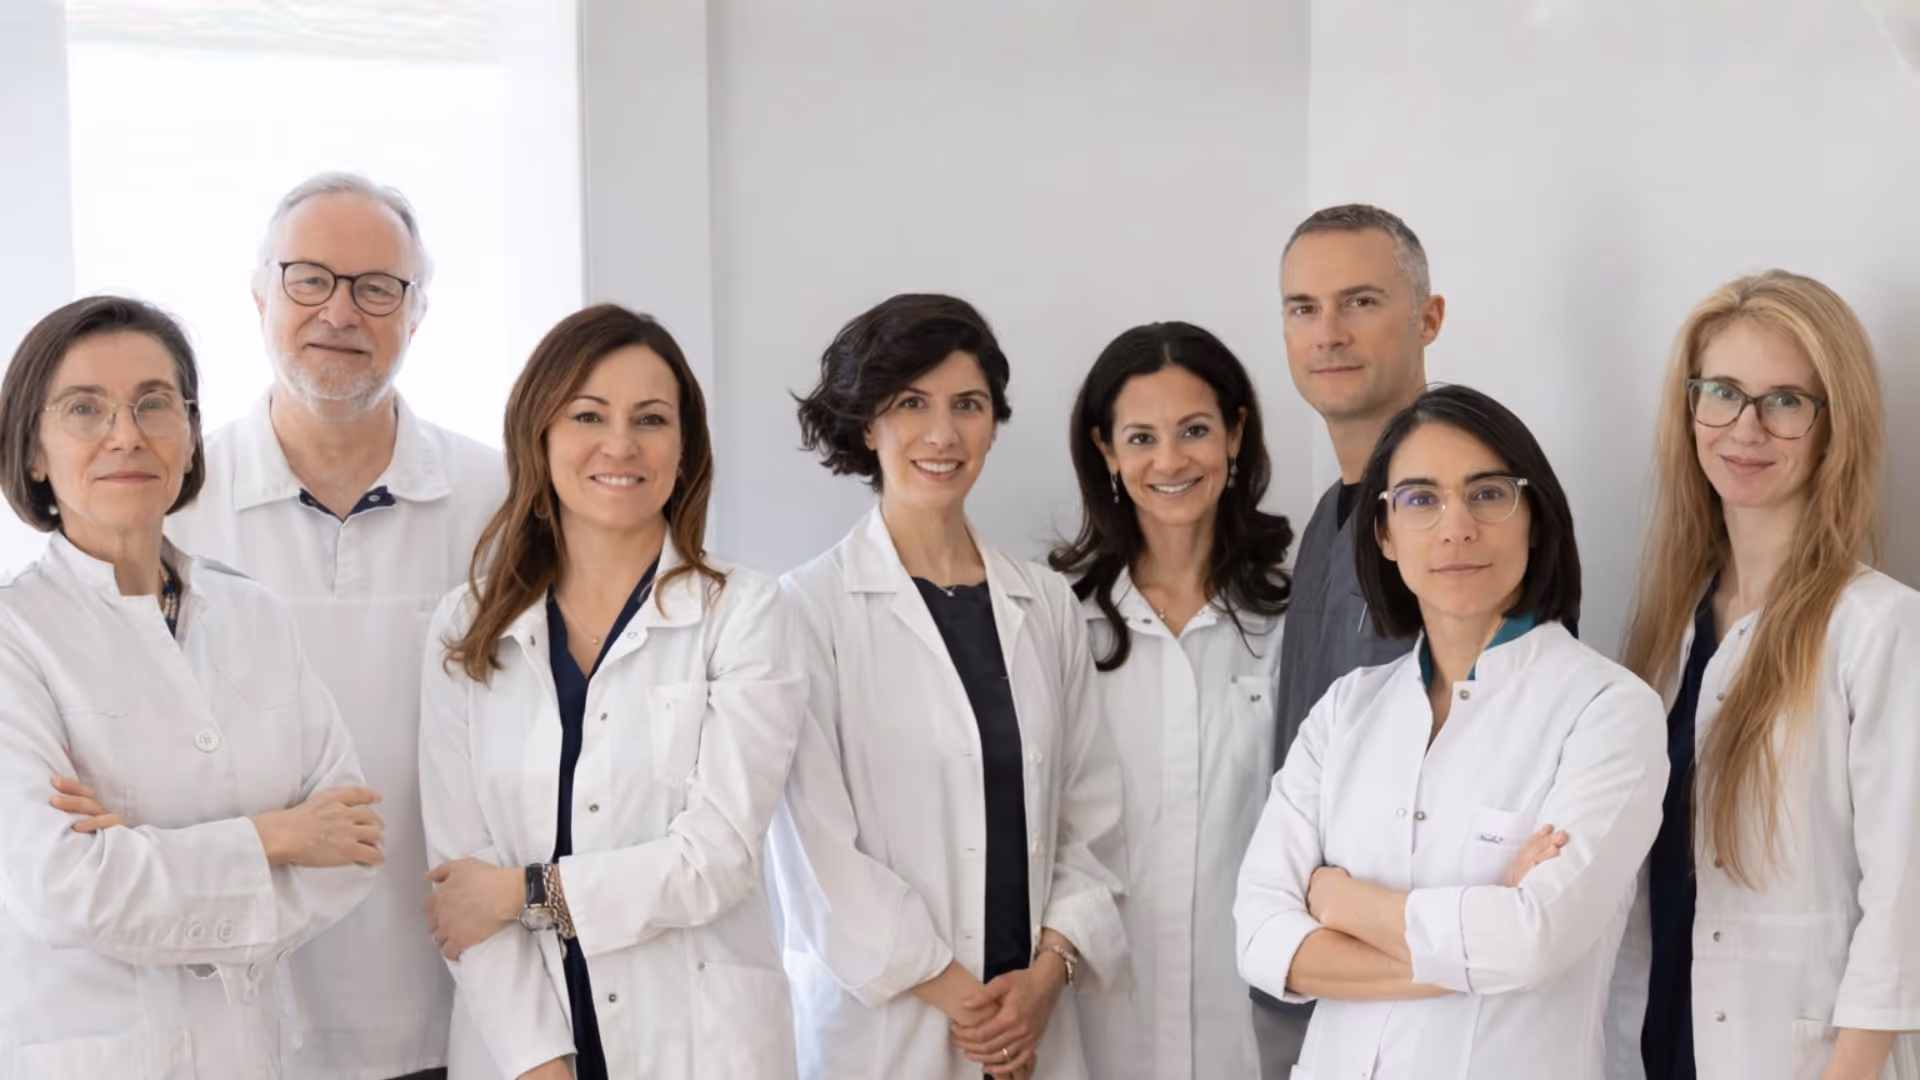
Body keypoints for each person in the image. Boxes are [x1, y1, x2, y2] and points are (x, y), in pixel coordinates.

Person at [167, 172, 505, 1080]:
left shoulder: (500, 499)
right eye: (309, 278)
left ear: (416, 312)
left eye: (376, 287)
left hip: (449, 998)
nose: (339, 312)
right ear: (258, 295)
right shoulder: (173, 507)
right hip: (238, 999)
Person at [416, 303, 803, 1080]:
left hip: (700, 1041)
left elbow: (715, 860)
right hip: (518, 1047)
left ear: (684, 446)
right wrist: (539, 1065)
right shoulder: (467, 625)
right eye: (589, 414)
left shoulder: (744, 612)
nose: (620, 445)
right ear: (541, 433)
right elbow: (462, 887)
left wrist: (525, 892)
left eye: (651, 419)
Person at [1236, 384, 1668, 1080]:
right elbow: (1261, 941)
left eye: (1488, 494)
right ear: (1384, 533)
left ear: (1535, 517)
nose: (1455, 526)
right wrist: (1478, 942)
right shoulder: (1346, 711)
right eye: (1420, 499)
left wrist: (1341, 903)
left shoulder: (1609, 711)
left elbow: (1532, 942)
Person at [0, 296, 382, 1078]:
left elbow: (351, 852)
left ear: (190, 432)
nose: (127, 434)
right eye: (85, 409)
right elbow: (64, 891)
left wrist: (144, 856)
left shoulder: (257, 616)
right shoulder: (15, 637)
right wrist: (274, 837)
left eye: (154, 403)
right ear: (34, 451)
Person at [768, 293, 1126, 1080]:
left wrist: (1043, 981)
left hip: (1035, 1027)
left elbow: (1089, 822)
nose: (943, 433)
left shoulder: (1045, 605)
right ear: (867, 424)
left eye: (968, 405)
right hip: (889, 1036)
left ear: (993, 422)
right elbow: (820, 859)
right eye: (910, 404)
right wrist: (974, 1006)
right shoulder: (804, 610)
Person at [1610, 271, 1920, 1080]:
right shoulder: (1662, 632)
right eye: (1722, 392)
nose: (1745, 428)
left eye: (1785, 401)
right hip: (1660, 1040)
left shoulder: (1881, 628)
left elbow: (1905, 908)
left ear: (1832, 425)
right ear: (1690, 407)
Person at [1049, 321, 1292, 1080]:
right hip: (1093, 1025)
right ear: (1106, 450)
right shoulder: (1054, 621)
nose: (1171, 460)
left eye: (1194, 430)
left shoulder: (1294, 621)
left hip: (1255, 1032)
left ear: (1235, 435)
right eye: (1141, 437)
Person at [1255, 202, 1446, 1075]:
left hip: (1418, 995)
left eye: (1360, 302)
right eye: (1303, 308)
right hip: (1317, 982)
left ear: (1428, 318)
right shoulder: (1331, 521)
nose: (1327, 332)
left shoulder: (1454, 516)